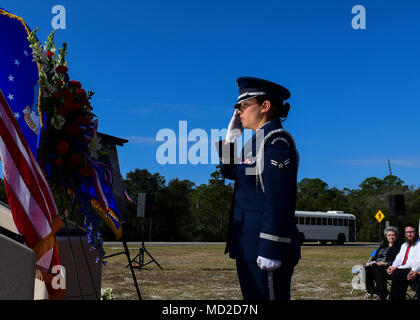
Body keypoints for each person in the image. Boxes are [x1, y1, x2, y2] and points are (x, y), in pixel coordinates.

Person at [216, 76, 300, 300]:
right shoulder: (254, 142)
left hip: (265, 248)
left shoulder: (276, 141)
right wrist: (231, 137)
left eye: (244, 106)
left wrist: (272, 247)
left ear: (265, 106)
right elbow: (229, 172)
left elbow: (279, 199)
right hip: (248, 246)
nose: (238, 112)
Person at [364, 226, 402, 300]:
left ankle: (382, 295)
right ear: (386, 236)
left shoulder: (399, 246)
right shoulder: (384, 244)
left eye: (393, 235)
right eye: (389, 235)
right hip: (377, 265)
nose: (391, 237)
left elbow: (399, 260)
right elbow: (376, 255)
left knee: (378, 271)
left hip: (389, 267)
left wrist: (386, 263)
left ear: (396, 236)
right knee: (367, 269)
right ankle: (372, 291)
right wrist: (372, 261)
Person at [387, 223, 420, 300]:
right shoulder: (404, 245)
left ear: (416, 232)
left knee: (398, 273)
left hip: (414, 269)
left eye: (412, 232)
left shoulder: (419, 245)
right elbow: (398, 259)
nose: (409, 234)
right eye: (407, 232)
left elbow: (416, 262)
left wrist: (398, 268)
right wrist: (393, 266)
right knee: (380, 270)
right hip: (404, 269)